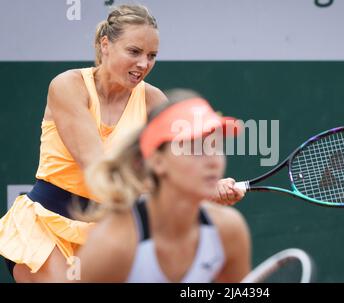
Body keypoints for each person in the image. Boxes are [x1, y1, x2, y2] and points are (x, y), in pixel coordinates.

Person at [0, 4, 243, 282]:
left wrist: (205, 187)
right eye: (134, 51)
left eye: (152, 55)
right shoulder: (68, 86)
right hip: (46, 227)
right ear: (106, 44)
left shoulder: (154, 101)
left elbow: (180, 163)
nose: (144, 63)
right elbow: (97, 169)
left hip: (107, 234)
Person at [65, 89, 251, 282]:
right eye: (195, 148)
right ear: (157, 161)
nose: (214, 161)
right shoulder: (113, 245)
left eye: (217, 146)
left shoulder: (229, 231)